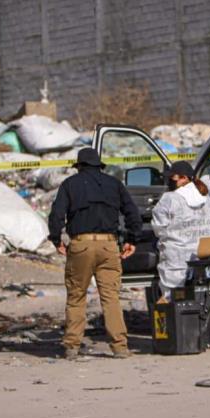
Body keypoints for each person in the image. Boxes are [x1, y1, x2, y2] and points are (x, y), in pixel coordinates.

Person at [48, 148, 142, 360]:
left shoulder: (69, 185)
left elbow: (57, 215)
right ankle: (119, 347)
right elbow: (132, 213)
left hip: (80, 245)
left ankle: (72, 346)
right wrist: (132, 239)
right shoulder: (114, 184)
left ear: (79, 166)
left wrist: (56, 239)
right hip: (109, 246)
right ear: (99, 165)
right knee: (111, 298)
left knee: (76, 296)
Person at [151, 161, 210, 300]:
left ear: (184, 178)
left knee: (174, 301)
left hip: (175, 262)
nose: (169, 181)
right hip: (201, 258)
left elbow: (159, 228)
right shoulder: (207, 199)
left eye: (172, 178)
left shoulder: (169, 198)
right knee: (201, 299)